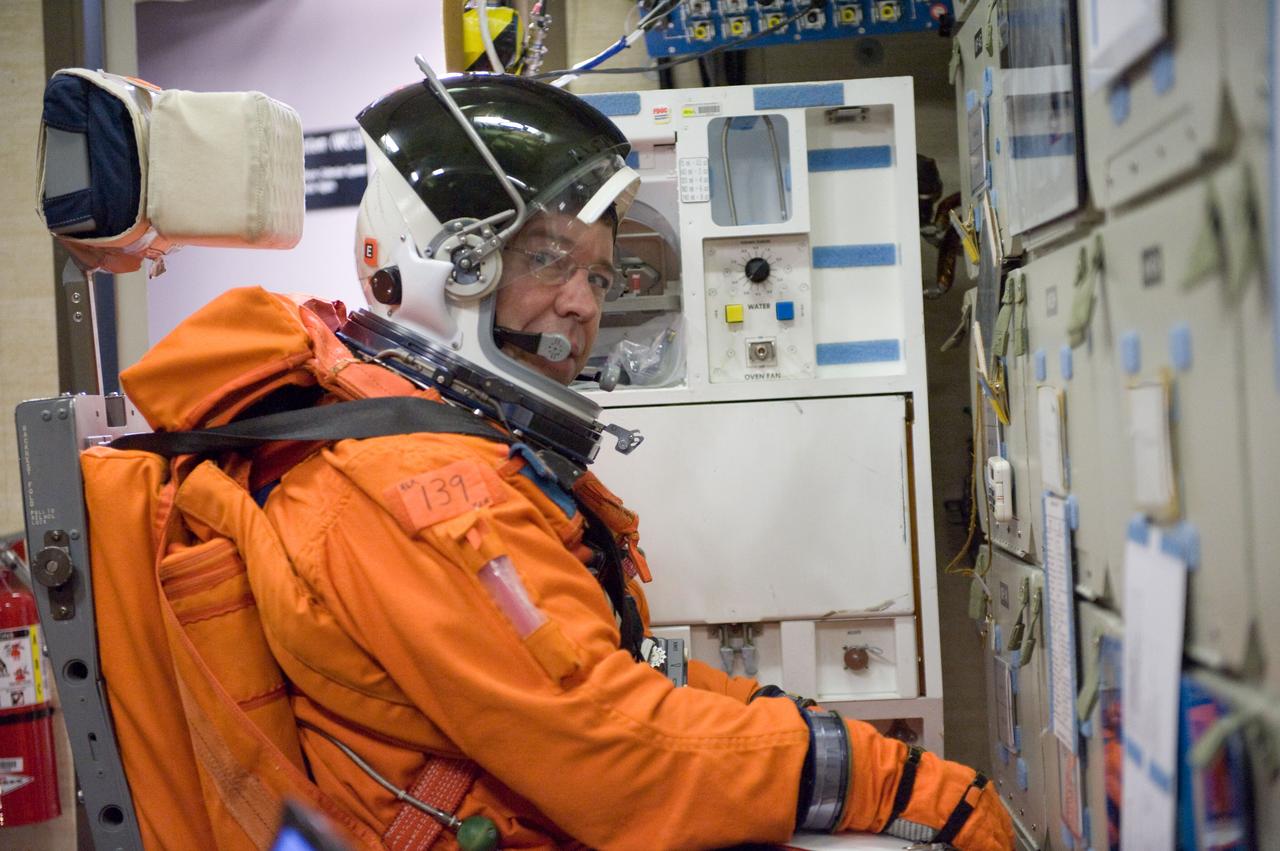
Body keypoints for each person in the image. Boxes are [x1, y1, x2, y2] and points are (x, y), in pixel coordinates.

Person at [120, 65, 1013, 850]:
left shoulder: (409, 439)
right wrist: (903, 784)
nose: (584, 303)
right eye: (550, 261)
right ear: (447, 267)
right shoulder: (419, 493)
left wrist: (789, 727)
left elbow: (604, 678)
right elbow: (616, 750)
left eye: (599, 273)